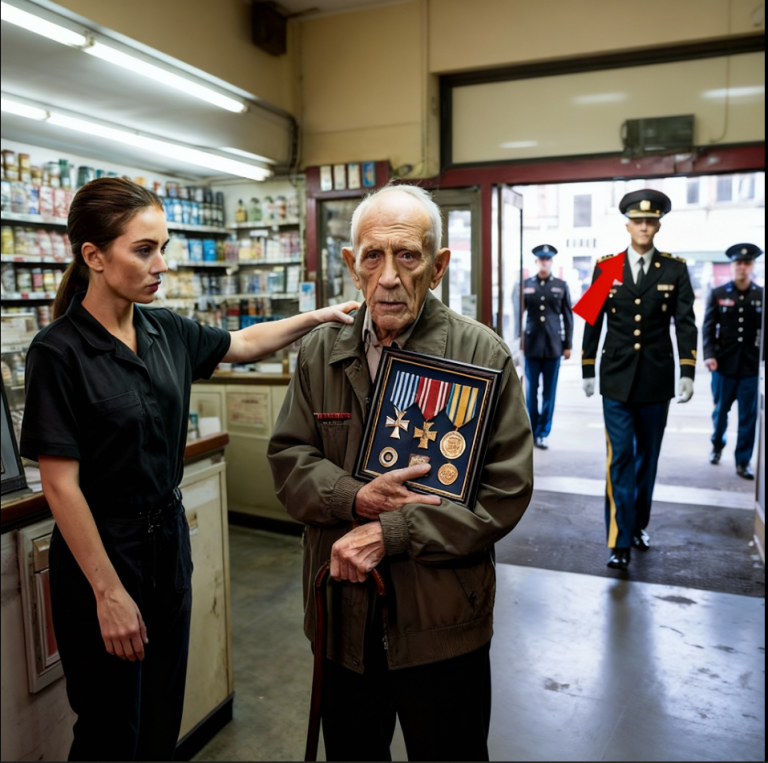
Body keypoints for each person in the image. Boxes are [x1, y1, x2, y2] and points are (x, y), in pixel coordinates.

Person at [19, 177, 358, 762]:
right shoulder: (58, 351)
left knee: (158, 724)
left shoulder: (163, 329)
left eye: (164, 248)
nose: (161, 265)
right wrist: (108, 594)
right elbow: (60, 484)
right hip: (105, 552)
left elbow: (245, 343)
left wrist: (320, 316)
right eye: (144, 249)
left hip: (166, 545)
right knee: (108, 731)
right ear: (93, 257)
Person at [268, 184, 533, 761]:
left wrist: (394, 531)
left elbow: (503, 492)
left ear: (437, 267)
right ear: (351, 265)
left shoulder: (481, 355)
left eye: (407, 256)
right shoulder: (319, 352)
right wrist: (356, 499)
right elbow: (289, 460)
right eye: (373, 256)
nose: (388, 276)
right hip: (342, 618)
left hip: (441, 622)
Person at [581, 189, 697, 570]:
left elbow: (685, 324)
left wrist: (688, 371)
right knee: (621, 459)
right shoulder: (607, 267)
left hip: (656, 381)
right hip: (615, 381)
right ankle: (618, 539)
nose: (644, 226)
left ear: (657, 224)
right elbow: (592, 319)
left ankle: (637, 525)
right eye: (637, 220)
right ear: (627, 224)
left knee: (647, 459)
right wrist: (587, 368)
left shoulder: (674, 270)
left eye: (650, 221)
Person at [702, 243, 764, 480]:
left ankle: (743, 461)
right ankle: (717, 445)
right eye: (738, 263)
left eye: (746, 263)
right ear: (732, 266)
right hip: (723, 365)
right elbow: (708, 328)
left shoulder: (761, 295)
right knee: (720, 413)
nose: (742, 267)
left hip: (750, 367)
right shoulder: (718, 293)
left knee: (748, 417)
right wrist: (708, 355)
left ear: (752, 267)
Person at [522, 244, 573, 449]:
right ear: (536, 262)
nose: (544, 262)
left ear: (551, 262)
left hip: (553, 346)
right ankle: (531, 431)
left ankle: (543, 432)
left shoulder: (561, 285)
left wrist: (567, 345)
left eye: (548, 260)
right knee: (531, 391)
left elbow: (568, 317)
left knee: (549, 393)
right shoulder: (526, 285)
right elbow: (519, 315)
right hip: (531, 346)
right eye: (541, 260)